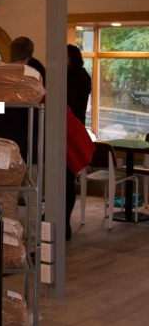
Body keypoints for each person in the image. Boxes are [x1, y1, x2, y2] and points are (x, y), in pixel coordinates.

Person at [65, 44, 92, 240]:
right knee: (66, 180)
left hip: (69, 131)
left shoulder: (78, 78)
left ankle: (63, 221)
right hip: (70, 129)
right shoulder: (81, 77)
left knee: (66, 180)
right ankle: (62, 221)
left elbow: (70, 104)